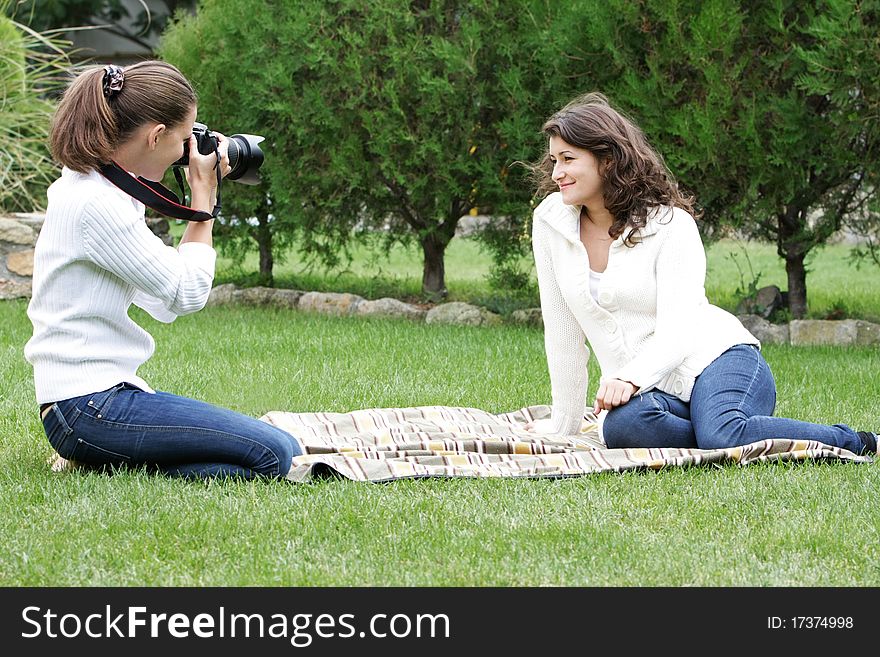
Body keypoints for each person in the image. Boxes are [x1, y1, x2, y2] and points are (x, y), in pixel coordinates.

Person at [524, 92, 877, 456]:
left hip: (719, 360)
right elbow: (562, 333)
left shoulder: (669, 224)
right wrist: (563, 425)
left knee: (722, 435)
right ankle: (721, 429)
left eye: (568, 159)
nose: (556, 173)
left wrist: (629, 377)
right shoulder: (551, 223)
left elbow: (680, 328)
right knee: (621, 426)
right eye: (554, 160)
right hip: (653, 391)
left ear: (608, 159)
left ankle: (861, 442)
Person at [25, 60, 301, 479]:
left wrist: (197, 191)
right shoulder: (96, 205)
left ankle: (108, 459)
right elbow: (188, 295)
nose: (188, 150)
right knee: (274, 453)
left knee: (278, 448)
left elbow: (162, 302)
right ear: (155, 136)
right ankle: (103, 462)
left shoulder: (98, 188)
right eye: (185, 138)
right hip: (87, 406)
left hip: (93, 400)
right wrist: (203, 200)